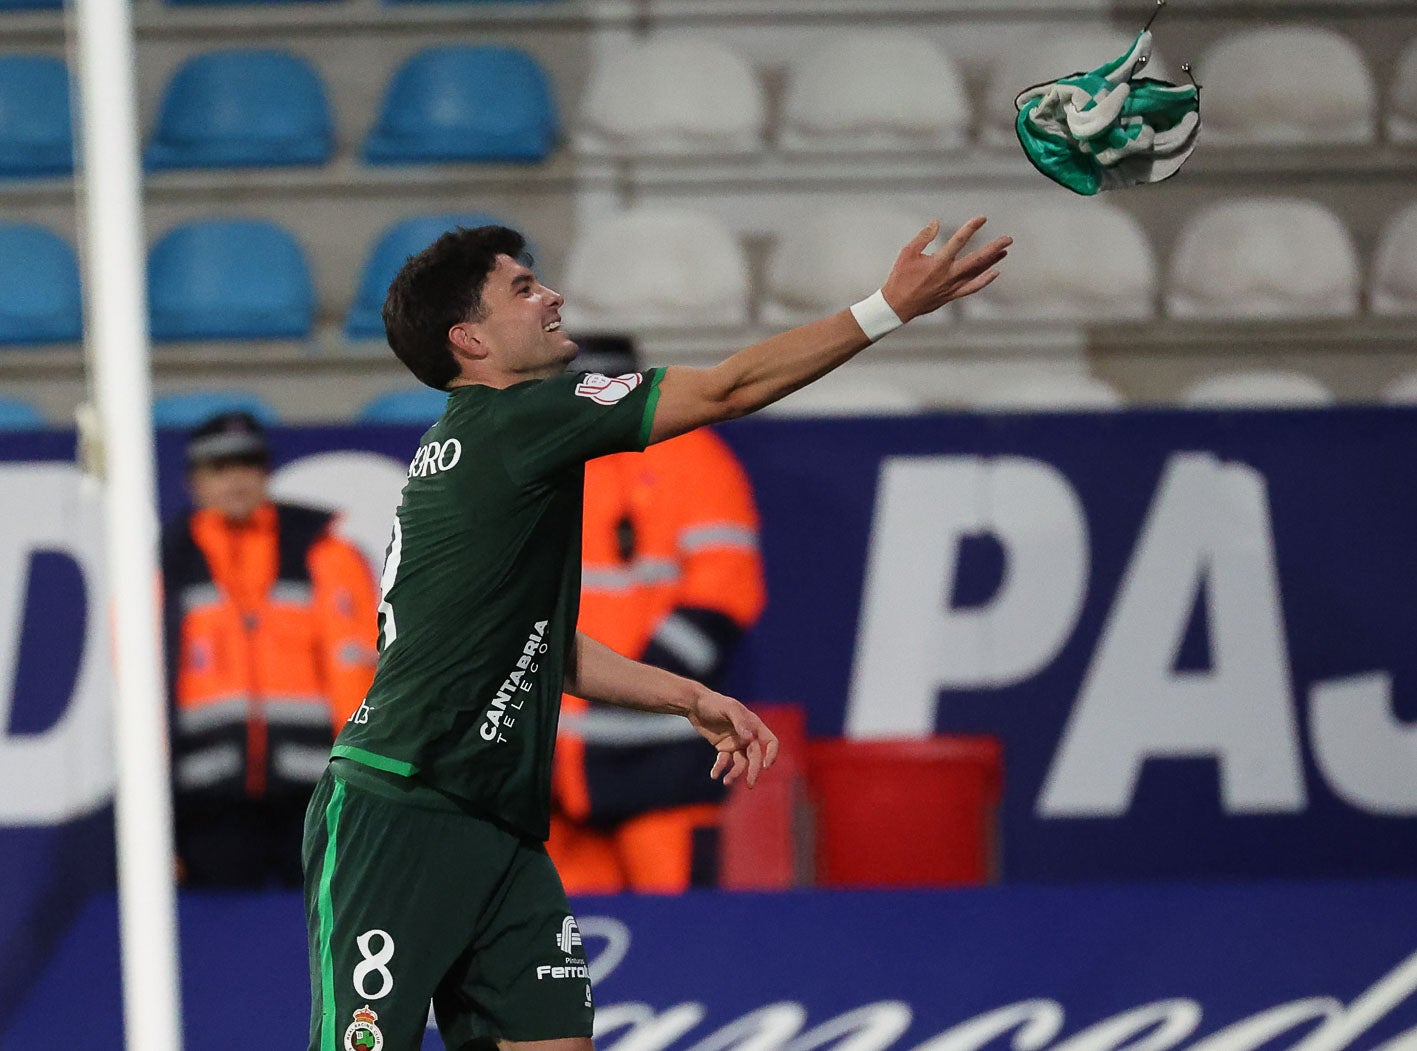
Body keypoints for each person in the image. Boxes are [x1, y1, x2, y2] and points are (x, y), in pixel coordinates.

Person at [303, 216, 1009, 1051]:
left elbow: (542, 644)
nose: (551, 294)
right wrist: (886, 308)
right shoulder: (522, 419)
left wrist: (688, 696)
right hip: (403, 809)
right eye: (523, 288)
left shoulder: (475, 447)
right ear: (471, 340)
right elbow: (726, 391)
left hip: (498, 824)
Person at [552, 334, 767, 895]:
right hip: (546, 775)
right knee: (556, 957)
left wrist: (638, 690)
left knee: (679, 948)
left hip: (660, 763)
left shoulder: (692, 456)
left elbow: (724, 597)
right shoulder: (535, 461)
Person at [159, 411, 380, 888]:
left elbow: (357, 682)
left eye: (249, 464)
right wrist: (157, 816)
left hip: (316, 795)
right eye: (220, 467)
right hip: (206, 803)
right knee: (221, 948)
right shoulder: (165, 564)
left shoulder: (326, 554)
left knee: (326, 942)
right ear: (193, 480)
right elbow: (146, 698)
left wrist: (363, 787)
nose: (237, 479)